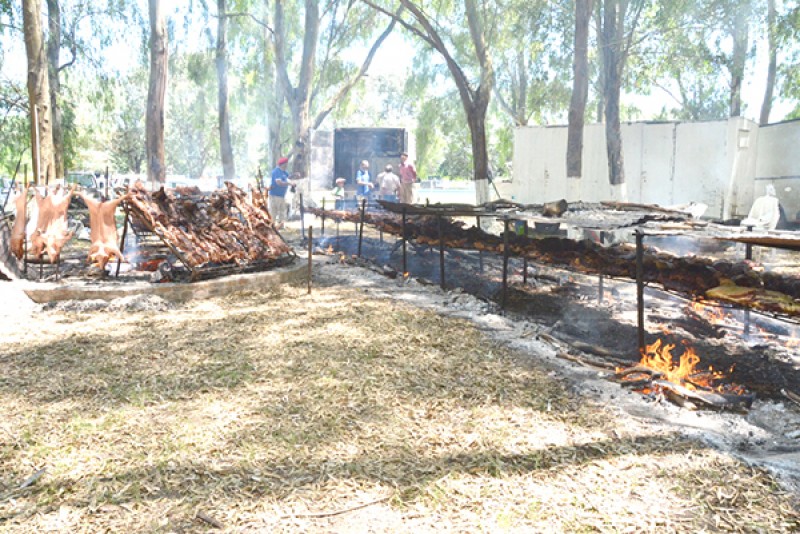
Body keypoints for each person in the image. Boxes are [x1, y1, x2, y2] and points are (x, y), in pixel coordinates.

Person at [269, 157, 291, 228]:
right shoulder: (276, 171)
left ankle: (281, 225)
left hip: (282, 195)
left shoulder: (284, 172)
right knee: (273, 211)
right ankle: (272, 226)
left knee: (282, 211)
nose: (287, 165)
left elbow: (288, 178)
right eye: (286, 164)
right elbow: (279, 183)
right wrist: (289, 184)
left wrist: (295, 175)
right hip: (275, 195)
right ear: (283, 164)